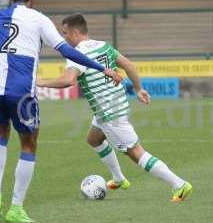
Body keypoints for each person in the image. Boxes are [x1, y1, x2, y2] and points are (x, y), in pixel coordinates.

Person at [0, 0, 122, 223]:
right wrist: (102, 68)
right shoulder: (39, 19)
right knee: (29, 144)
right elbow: (67, 51)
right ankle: (16, 208)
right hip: (21, 91)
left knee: (0, 135)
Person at [37, 13, 193, 202]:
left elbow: (68, 80)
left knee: (135, 152)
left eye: (65, 33)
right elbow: (127, 63)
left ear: (76, 32)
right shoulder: (103, 46)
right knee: (93, 139)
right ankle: (119, 179)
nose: (64, 38)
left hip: (109, 112)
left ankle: (179, 185)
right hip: (115, 105)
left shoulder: (78, 53)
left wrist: (41, 82)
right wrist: (138, 89)